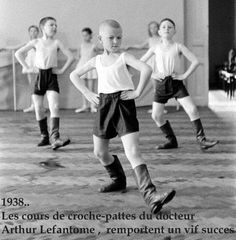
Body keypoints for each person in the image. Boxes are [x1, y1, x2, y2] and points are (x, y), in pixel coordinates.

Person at [70, 19, 175, 214]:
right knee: (100, 152)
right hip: (104, 105)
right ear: (101, 39)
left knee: (133, 151)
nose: (116, 41)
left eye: (119, 37)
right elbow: (74, 75)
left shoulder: (124, 57)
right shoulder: (96, 60)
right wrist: (86, 93)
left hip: (124, 105)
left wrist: (136, 92)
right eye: (111, 38)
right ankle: (118, 180)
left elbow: (146, 68)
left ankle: (150, 195)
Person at [140, 18, 218, 150]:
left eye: (170, 27)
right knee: (156, 116)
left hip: (176, 83)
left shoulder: (178, 46)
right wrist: (153, 74)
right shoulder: (155, 48)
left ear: (174, 31)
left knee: (192, 109)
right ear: (159, 31)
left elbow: (195, 61)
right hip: (161, 85)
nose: (166, 29)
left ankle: (202, 140)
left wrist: (184, 76)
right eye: (164, 27)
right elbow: (140, 63)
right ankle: (171, 141)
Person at [15, 17, 74, 150]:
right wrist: (28, 67)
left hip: (51, 76)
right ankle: (44, 136)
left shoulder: (57, 42)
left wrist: (62, 70)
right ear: (43, 28)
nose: (54, 27)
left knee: (55, 105)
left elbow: (71, 57)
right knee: (38, 108)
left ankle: (55, 138)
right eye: (51, 25)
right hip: (39, 76)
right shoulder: (36, 42)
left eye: (55, 25)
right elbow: (18, 53)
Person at [125, 21, 178, 113]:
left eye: (155, 27)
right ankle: (156, 108)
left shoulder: (162, 39)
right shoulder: (149, 39)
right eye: (151, 28)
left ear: (158, 29)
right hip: (151, 64)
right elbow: (140, 46)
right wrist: (129, 46)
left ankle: (161, 107)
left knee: (162, 86)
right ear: (149, 30)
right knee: (155, 87)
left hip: (160, 64)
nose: (153, 29)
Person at [74, 27, 98, 113]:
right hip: (81, 67)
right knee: (83, 87)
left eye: (86, 35)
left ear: (90, 35)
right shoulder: (81, 46)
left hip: (91, 67)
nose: (84, 37)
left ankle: (93, 106)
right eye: (83, 35)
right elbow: (78, 56)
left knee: (91, 88)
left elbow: (97, 56)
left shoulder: (94, 46)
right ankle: (84, 105)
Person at [23, 25, 40, 112]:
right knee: (31, 85)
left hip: (38, 64)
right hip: (29, 64)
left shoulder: (40, 42)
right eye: (31, 31)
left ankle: (39, 106)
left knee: (39, 85)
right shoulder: (28, 42)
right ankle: (33, 105)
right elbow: (19, 47)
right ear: (29, 33)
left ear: (38, 32)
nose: (33, 33)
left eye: (35, 31)